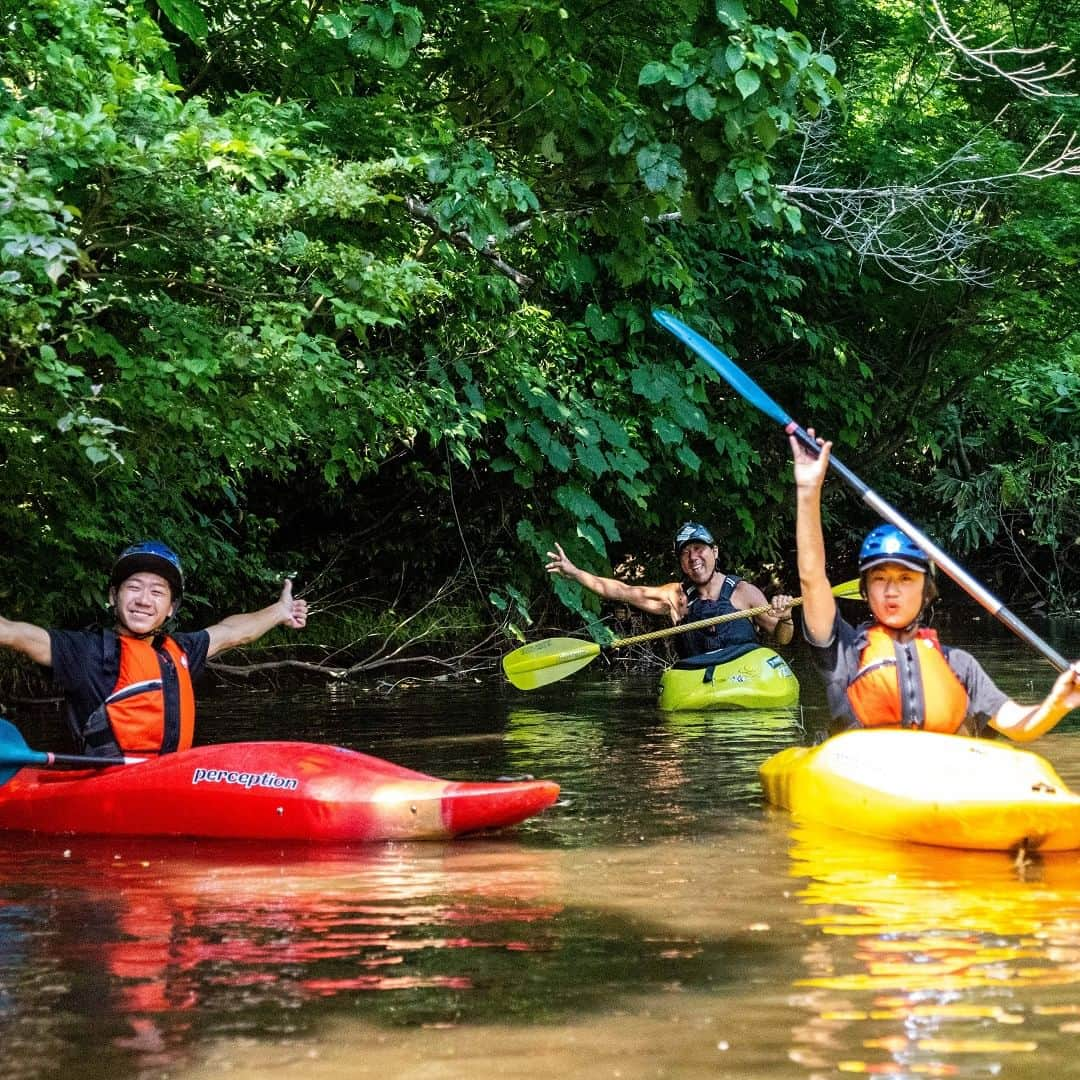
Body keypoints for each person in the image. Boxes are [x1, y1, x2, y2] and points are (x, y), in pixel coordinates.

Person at [790, 430, 1080, 739]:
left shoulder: (959, 665)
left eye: (905, 579)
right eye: (880, 579)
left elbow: (1019, 726)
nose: (891, 590)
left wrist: (1058, 702)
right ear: (865, 590)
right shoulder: (844, 652)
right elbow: (812, 578)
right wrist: (808, 490)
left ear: (926, 590)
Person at [0, 540, 309, 757]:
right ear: (113, 596)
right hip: (107, 791)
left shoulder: (179, 652)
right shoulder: (87, 652)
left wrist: (279, 612)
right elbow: (19, 635)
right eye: (133, 588)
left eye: (157, 592)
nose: (144, 600)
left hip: (166, 782)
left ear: (171, 608)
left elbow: (233, 632)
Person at [545, 522, 795, 659]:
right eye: (685, 553)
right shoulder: (675, 597)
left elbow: (782, 638)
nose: (693, 557)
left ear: (715, 552)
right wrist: (576, 573)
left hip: (745, 675)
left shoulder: (744, 592)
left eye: (699, 548)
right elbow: (622, 591)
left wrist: (786, 617)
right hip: (699, 681)